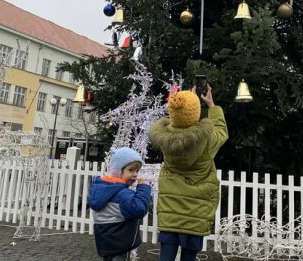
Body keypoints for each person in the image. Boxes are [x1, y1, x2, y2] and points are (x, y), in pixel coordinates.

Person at [149, 85, 228, 261]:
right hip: (196, 214)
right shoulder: (206, 140)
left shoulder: (165, 138)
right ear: (196, 112)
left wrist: (187, 102)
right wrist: (211, 105)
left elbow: (178, 119)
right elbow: (222, 132)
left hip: (170, 212)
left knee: (166, 258)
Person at [89, 147, 152, 261]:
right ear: (118, 171)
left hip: (107, 243)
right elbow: (139, 209)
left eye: (137, 171)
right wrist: (144, 188)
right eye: (131, 170)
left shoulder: (105, 188)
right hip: (120, 244)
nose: (135, 174)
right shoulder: (121, 193)